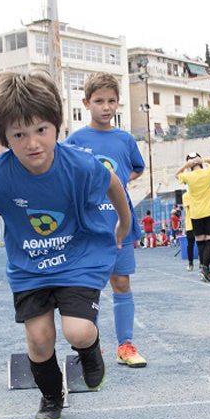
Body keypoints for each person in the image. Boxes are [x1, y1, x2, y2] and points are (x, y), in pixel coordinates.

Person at [0, 71, 129, 419]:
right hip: (30, 268)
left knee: (78, 331)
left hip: (78, 258)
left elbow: (113, 183)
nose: (32, 143)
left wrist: (124, 223)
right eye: (19, 135)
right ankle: (51, 396)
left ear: (55, 126)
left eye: (41, 130)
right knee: (39, 340)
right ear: (5, 137)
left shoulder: (78, 164)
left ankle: (90, 350)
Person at [65, 71, 148, 368]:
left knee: (121, 281)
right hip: (89, 227)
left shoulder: (125, 139)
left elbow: (136, 168)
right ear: (86, 103)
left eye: (111, 101)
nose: (106, 107)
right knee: (89, 288)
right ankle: (92, 347)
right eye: (99, 101)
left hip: (118, 223)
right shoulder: (75, 140)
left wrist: (118, 183)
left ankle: (125, 344)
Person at [177, 152, 210, 281]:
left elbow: (177, 174)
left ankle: (203, 268)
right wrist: (201, 160)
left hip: (196, 214)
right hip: (209, 211)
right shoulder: (208, 172)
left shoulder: (188, 176)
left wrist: (186, 165)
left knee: (201, 242)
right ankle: (205, 267)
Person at [181, 191, 195, 271]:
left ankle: (202, 264)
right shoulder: (186, 195)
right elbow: (191, 207)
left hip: (200, 222)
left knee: (202, 244)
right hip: (190, 224)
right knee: (190, 244)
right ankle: (190, 263)